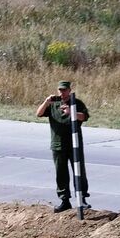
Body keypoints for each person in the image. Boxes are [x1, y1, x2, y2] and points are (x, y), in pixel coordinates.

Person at [35, 80, 89, 212]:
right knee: (61, 173)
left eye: (65, 90)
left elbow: (84, 117)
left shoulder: (77, 103)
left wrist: (72, 112)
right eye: (60, 90)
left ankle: (82, 198)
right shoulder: (54, 104)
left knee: (79, 171)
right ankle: (65, 200)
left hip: (74, 144)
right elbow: (39, 113)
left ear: (69, 90)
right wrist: (46, 102)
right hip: (58, 144)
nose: (62, 93)